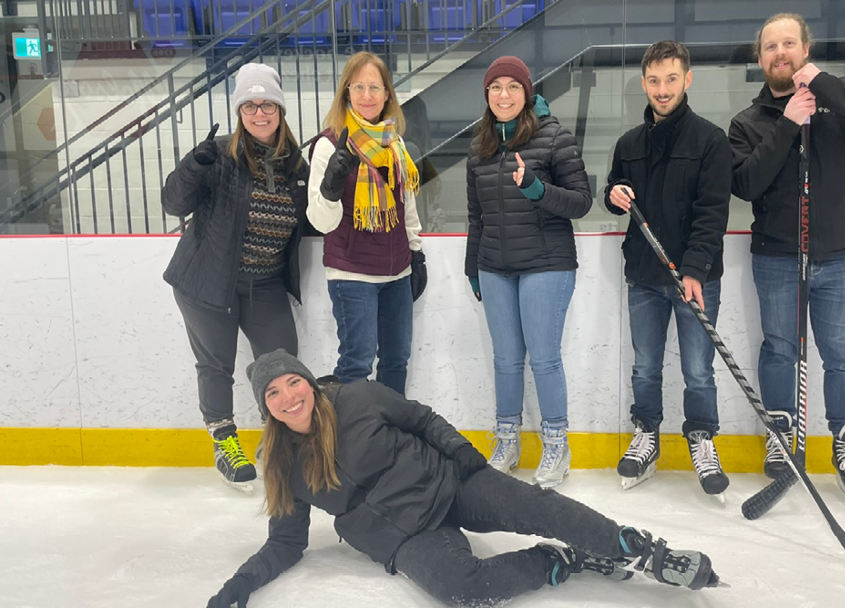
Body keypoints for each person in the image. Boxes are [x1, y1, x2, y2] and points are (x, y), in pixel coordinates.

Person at [205, 349, 723, 608]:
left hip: (447, 483)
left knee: (539, 506)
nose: (289, 396)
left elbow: (422, 419)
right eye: (274, 394)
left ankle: (643, 550)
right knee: (461, 589)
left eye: (294, 382)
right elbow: (286, 542)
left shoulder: (357, 397)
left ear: (309, 383)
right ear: (265, 409)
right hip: (407, 537)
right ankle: (560, 562)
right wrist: (240, 585)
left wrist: (465, 455)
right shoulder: (280, 466)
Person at [729, 13, 845, 497]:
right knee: (779, 349)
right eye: (769, 47)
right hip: (778, 257)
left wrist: (822, 86)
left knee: (842, 354)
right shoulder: (747, 122)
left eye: (788, 44)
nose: (779, 53)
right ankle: (781, 439)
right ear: (760, 58)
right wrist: (787, 123)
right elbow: (745, 184)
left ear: (805, 48)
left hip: (842, 255)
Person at [162, 63, 313, 492]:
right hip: (208, 280)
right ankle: (225, 443)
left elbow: (312, 220)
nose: (259, 113)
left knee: (282, 363)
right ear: (239, 110)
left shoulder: (297, 164)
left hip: (264, 283)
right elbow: (173, 203)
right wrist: (194, 165)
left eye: (267, 104)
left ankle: (280, 441)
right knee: (216, 364)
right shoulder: (219, 155)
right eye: (249, 105)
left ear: (280, 110)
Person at [604, 41, 732, 496]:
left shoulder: (710, 141)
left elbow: (713, 213)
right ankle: (647, 435)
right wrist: (615, 193)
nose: (662, 89)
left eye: (671, 79)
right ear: (644, 83)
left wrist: (695, 269)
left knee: (699, 368)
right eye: (654, 81)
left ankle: (701, 436)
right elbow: (614, 193)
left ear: (687, 79)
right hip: (644, 275)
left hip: (694, 279)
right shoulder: (629, 144)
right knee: (645, 366)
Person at [464, 56, 592, 488]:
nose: (504, 95)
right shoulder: (479, 146)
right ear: (487, 95)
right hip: (496, 267)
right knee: (505, 361)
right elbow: (475, 216)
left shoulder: (554, 137)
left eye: (512, 87)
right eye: (495, 87)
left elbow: (581, 202)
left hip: (545, 264)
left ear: (527, 92)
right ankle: (508, 440)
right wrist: (473, 267)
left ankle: (556, 443)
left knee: (543, 358)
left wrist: (537, 189)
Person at [307, 51, 426, 396]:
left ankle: (391, 440)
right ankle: (354, 443)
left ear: (388, 94)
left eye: (375, 87)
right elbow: (320, 221)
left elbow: (407, 203)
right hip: (352, 274)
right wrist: (332, 185)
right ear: (346, 92)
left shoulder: (395, 144)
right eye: (358, 86)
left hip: (397, 274)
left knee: (396, 361)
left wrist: (415, 252)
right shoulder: (330, 145)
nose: (367, 95)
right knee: (357, 362)